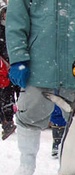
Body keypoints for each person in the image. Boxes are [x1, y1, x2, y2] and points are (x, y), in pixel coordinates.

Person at [6, 0, 75, 175]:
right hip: (39, 66)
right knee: (29, 114)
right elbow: (16, 23)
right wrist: (18, 58)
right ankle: (26, 162)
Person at [0, 4, 16, 140]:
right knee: (5, 95)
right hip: (3, 68)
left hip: (13, 66)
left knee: (10, 95)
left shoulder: (14, 28)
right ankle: (6, 123)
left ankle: (9, 122)